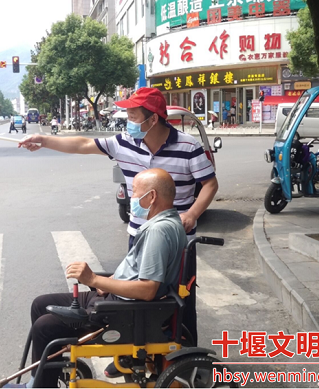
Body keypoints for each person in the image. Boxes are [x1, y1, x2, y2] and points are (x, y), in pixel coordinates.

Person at [19, 87, 217, 347]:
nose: (128, 121)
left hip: (175, 238)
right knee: (135, 293)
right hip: (140, 235)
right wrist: (43, 141)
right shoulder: (124, 142)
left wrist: (191, 214)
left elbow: (210, 184)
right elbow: (83, 144)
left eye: (133, 116)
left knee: (179, 301)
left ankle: (185, 353)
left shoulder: (188, 146)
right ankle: (135, 348)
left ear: (153, 119)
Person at [5, 169, 187, 388]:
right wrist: (108, 281)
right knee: (40, 304)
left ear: (152, 196)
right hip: (116, 299)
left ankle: (42, 386)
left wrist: (93, 279)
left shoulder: (158, 231)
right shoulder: (169, 222)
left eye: (135, 192)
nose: (132, 198)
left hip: (123, 313)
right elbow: (137, 272)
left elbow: (148, 289)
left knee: (45, 327)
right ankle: (41, 380)